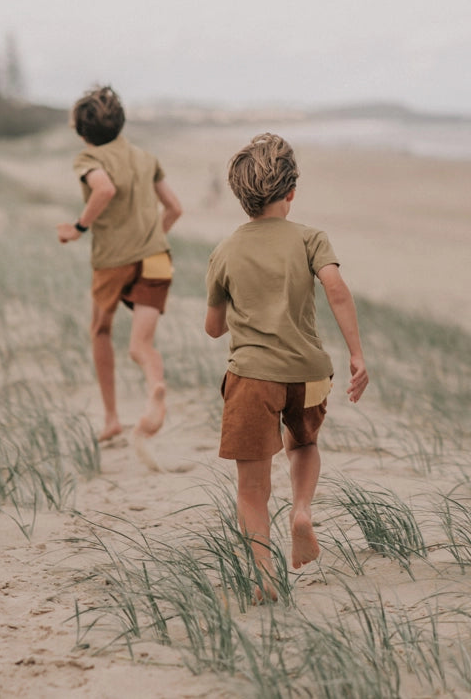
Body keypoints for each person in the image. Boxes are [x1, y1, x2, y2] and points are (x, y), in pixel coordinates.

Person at [204, 133, 369, 598]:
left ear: (240, 196)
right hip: (309, 373)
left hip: (253, 376)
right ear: (291, 191)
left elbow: (214, 328)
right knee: (302, 444)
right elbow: (336, 288)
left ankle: (264, 577)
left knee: (252, 488)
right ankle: (301, 510)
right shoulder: (311, 238)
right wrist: (356, 354)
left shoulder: (225, 251)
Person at [58, 85, 183, 449]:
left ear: (82, 133)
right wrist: (150, 239)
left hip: (113, 260)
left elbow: (104, 190)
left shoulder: (87, 159)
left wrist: (79, 228)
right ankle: (154, 386)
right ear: (121, 122)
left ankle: (112, 419)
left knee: (100, 330)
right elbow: (175, 209)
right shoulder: (146, 157)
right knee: (141, 344)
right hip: (157, 258)